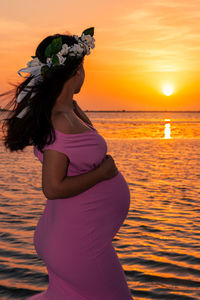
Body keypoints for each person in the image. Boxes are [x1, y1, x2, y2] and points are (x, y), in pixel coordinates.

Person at [1, 27, 133, 299]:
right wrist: (103, 173)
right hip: (78, 243)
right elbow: (53, 187)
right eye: (82, 68)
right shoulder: (60, 119)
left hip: (76, 236)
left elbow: (82, 151)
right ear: (74, 72)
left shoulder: (68, 110)